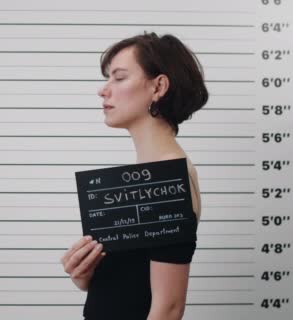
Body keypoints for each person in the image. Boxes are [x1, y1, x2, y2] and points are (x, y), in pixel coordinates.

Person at [60, 32, 208, 320]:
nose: (103, 90)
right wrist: (89, 276)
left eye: (119, 77)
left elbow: (168, 308)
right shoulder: (150, 175)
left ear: (158, 86)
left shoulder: (167, 179)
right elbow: (136, 285)